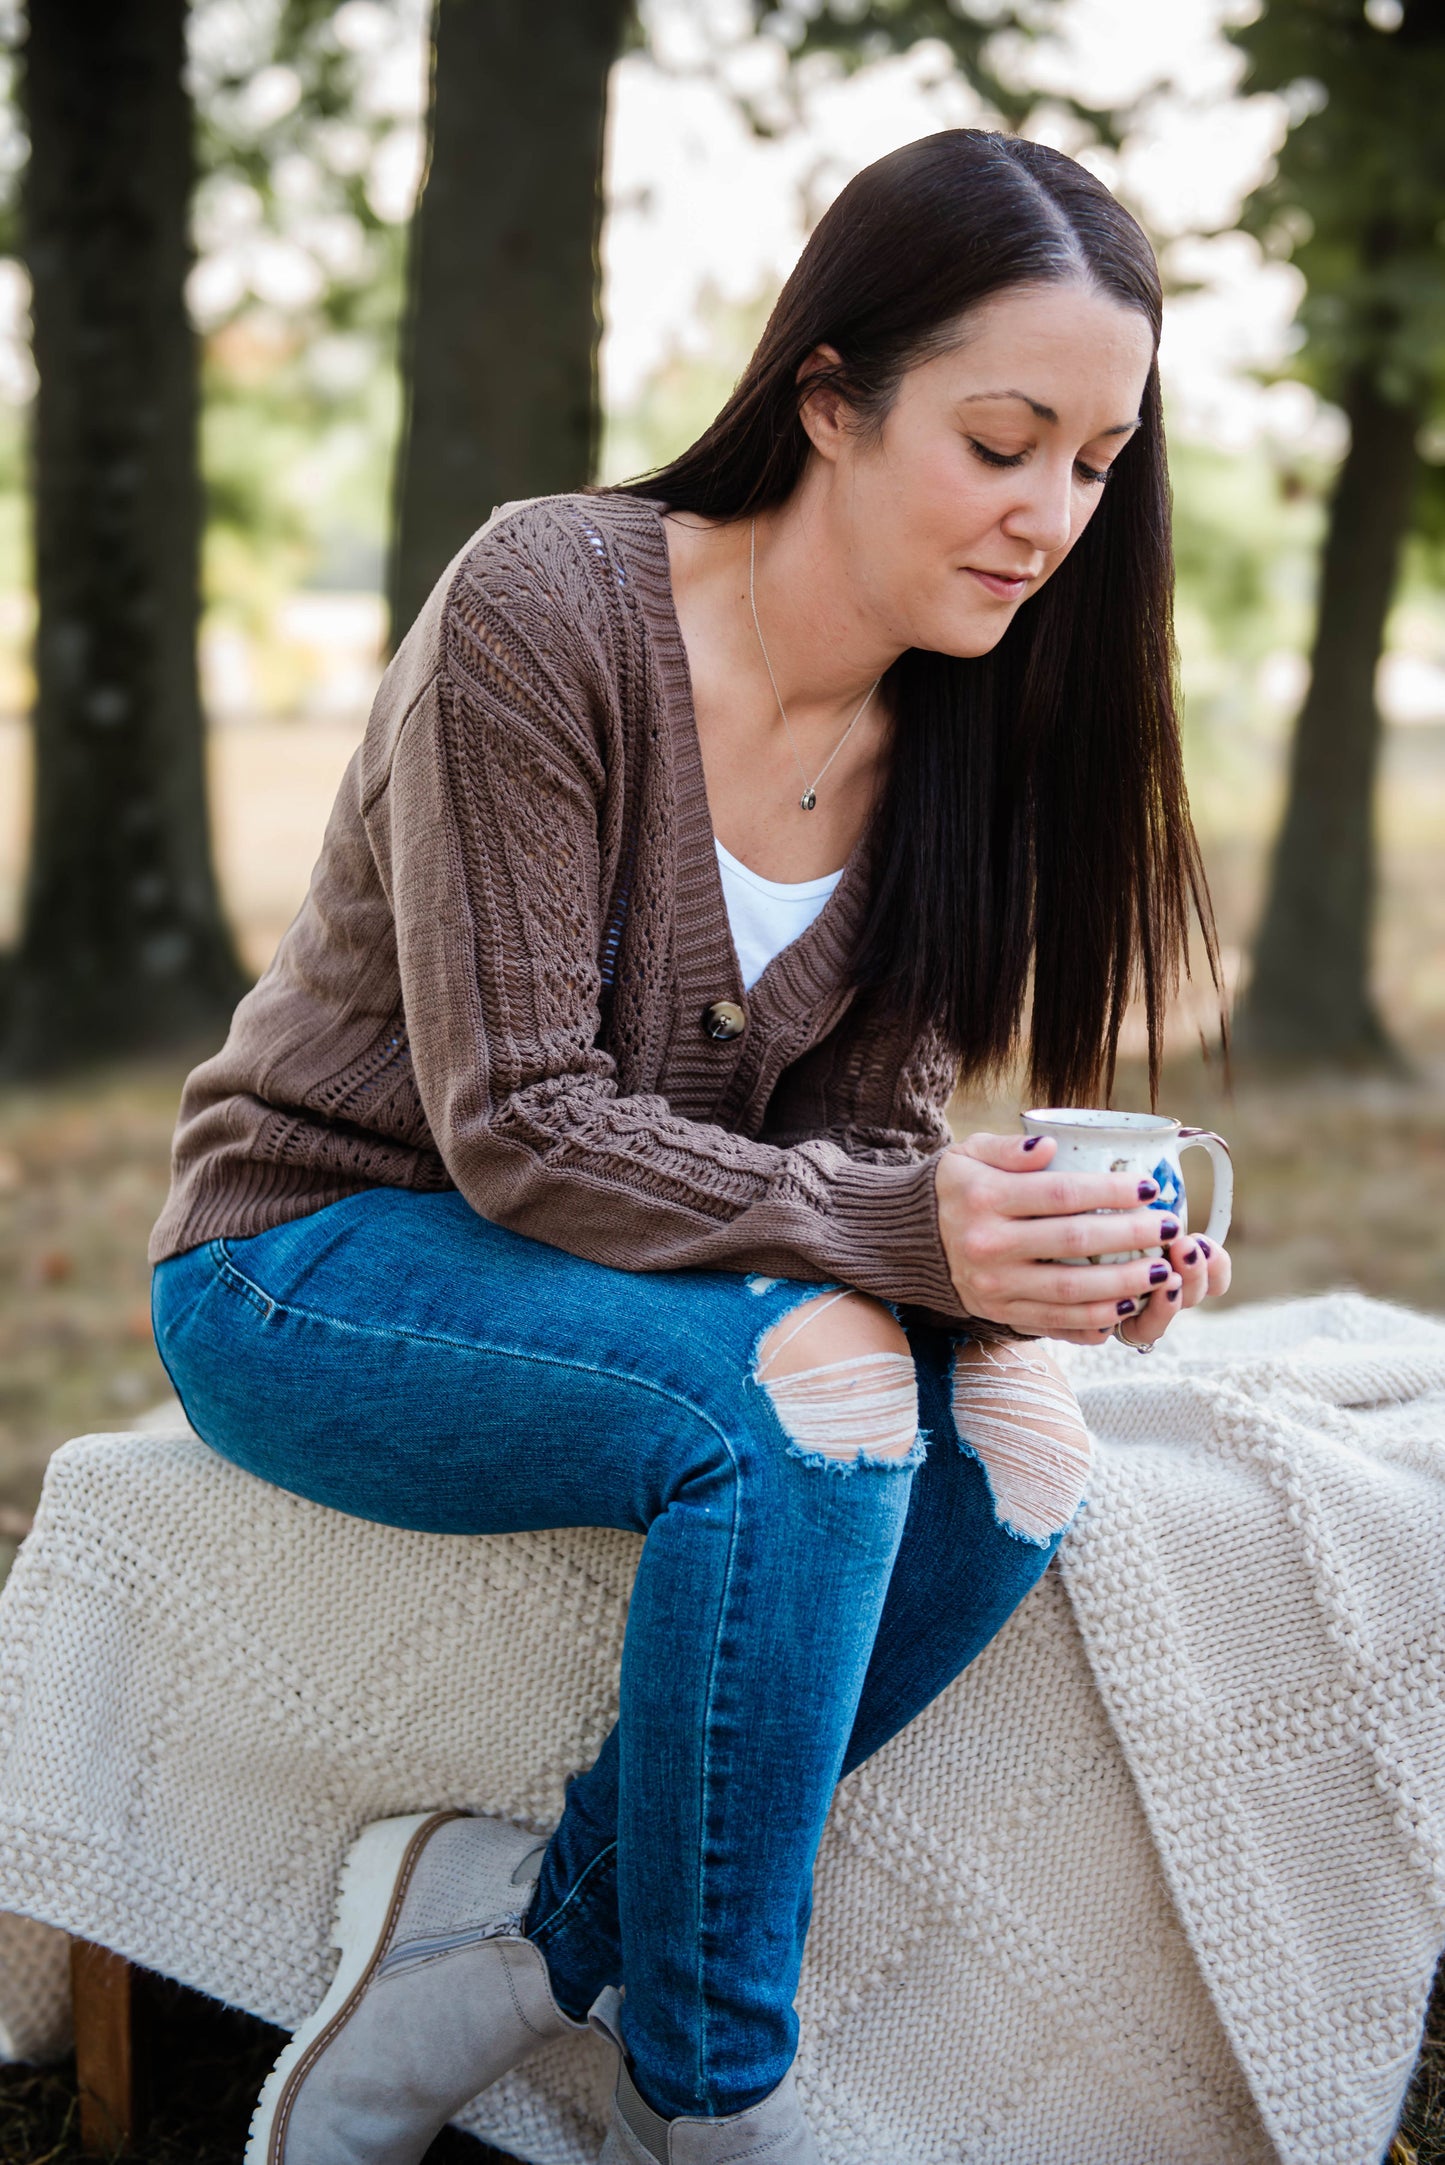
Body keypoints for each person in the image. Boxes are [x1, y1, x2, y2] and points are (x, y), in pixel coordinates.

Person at [148, 127, 1231, 2165]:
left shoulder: (969, 736)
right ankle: (712, 2094)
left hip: (627, 1279)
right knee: (807, 1394)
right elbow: (527, 1129)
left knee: (1016, 1439)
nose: (1050, 518)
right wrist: (910, 1233)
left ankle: (519, 1951)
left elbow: (852, 1156)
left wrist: (1039, 1261)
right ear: (828, 395)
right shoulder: (546, 605)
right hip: (318, 1252)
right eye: (1003, 442)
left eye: (1095, 465)